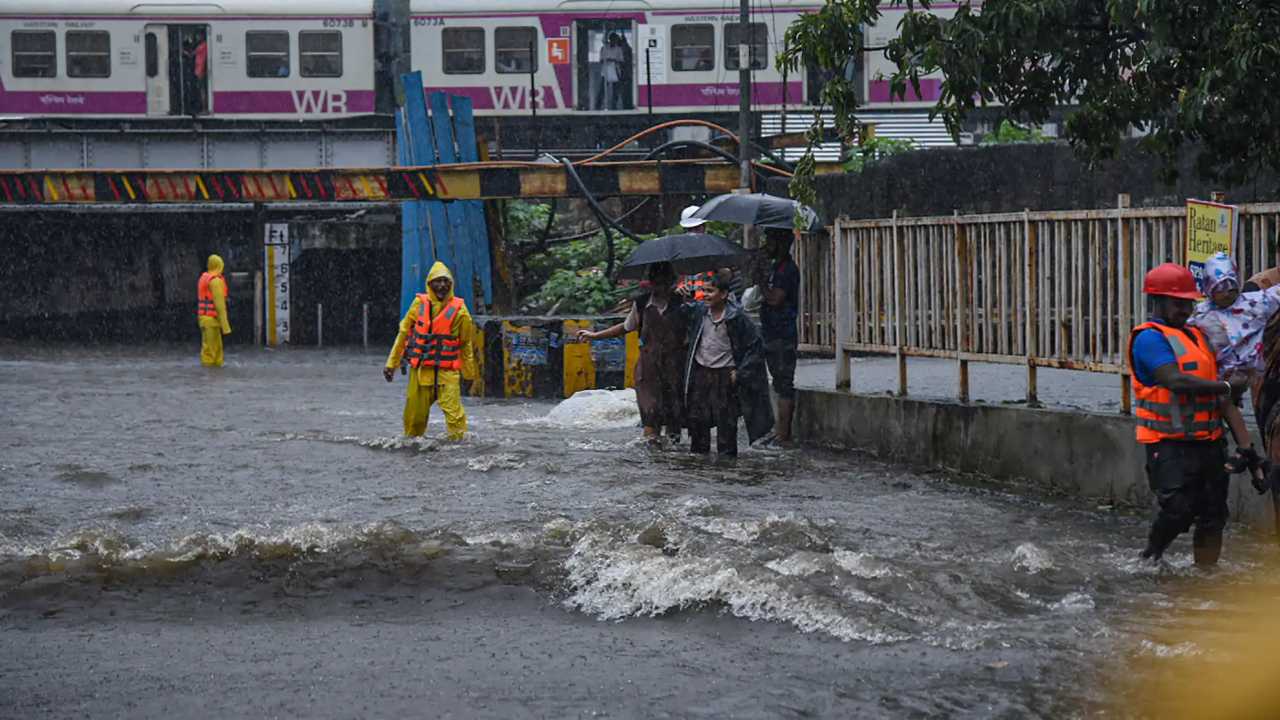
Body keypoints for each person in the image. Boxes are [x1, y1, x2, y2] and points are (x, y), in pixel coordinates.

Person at [1129, 263, 1256, 566]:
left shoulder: (1198, 338)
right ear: (1157, 301)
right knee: (1178, 508)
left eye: (1188, 303)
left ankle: (1206, 575)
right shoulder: (1149, 338)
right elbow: (1176, 381)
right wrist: (1225, 384)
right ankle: (1149, 558)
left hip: (1209, 443)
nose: (1184, 310)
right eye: (1177, 303)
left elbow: (1224, 400)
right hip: (1169, 444)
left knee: (1214, 514)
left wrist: (1246, 448)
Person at [578, 263, 686, 444]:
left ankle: (672, 452)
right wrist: (595, 336)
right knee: (650, 412)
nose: (660, 287)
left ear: (671, 282)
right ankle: (652, 452)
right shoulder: (642, 303)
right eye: (656, 283)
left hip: (675, 365)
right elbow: (626, 327)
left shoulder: (682, 303)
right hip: (648, 367)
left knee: (673, 411)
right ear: (651, 283)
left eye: (664, 283)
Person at [681, 272, 773, 456]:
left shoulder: (736, 317)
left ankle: (727, 466)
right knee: (698, 421)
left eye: (710, 291)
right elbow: (679, 316)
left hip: (725, 376)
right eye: (703, 290)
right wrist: (681, 296)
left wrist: (740, 372)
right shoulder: (699, 312)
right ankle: (698, 464)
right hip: (701, 372)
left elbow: (755, 347)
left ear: (723, 294)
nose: (705, 295)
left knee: (726, 423)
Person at [384, 262, 477, 440]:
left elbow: (465, 345)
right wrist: (391, 364)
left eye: (445, 281)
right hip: (420, 372)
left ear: (451, 284)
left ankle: (458, 450)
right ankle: (412, 450)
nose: (442, 285)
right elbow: (403, 335)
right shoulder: (418, 305)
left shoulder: (461, 312)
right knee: (414, 420)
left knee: (455, 418)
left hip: (447, 373)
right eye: (437, 281)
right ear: (429, 284)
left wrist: (469, 375)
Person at [756, 227, 802, 445]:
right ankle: (779, 432)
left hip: (783, 334)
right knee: (777, 382)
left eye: (770, 240)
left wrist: (761, 283)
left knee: (784, 383)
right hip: (772, 332)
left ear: (781, 243)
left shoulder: (787, 271)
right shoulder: (777, 267)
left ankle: (784, 436)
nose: (767, 245)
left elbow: (775, 299)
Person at [197, 254, 231, 367]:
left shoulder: (204, 278)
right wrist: (225, 326)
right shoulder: (215, 281)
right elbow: (219, 305)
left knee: (212, 348)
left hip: (205, 319)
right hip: (211, 319)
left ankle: (212, 373)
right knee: (212, 350)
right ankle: (211, 375)